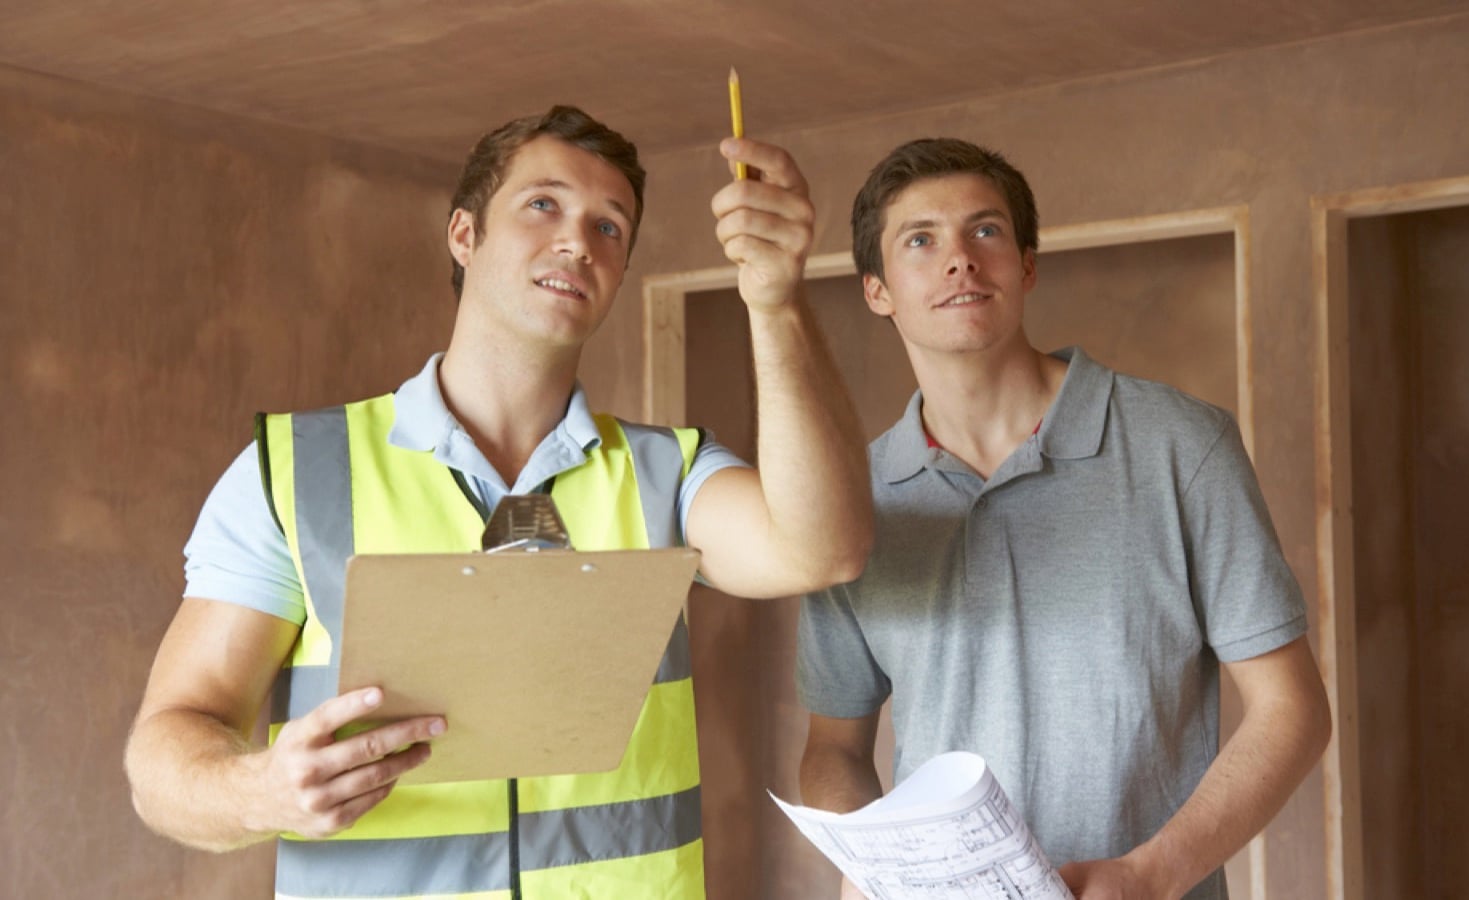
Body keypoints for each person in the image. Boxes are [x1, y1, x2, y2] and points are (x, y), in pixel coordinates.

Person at [124, 105, 872, 900]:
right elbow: (166, 753)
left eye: (610, 226)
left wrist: (776, 303)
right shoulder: (296, 475)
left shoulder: (669, 472)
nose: (578, 241)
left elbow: (820, 546)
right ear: (463, 235)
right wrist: (258, 791)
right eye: (543, 204)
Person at [794, 138, 1331, 900]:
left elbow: (1293, 711)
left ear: (1027, 265)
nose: (960, 260)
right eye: (922, 240)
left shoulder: (1181, 445)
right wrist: (875, 870)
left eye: (985, 231)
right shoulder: (854, 499)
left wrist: (1151, 874)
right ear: (877, 290)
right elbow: (832, 747)